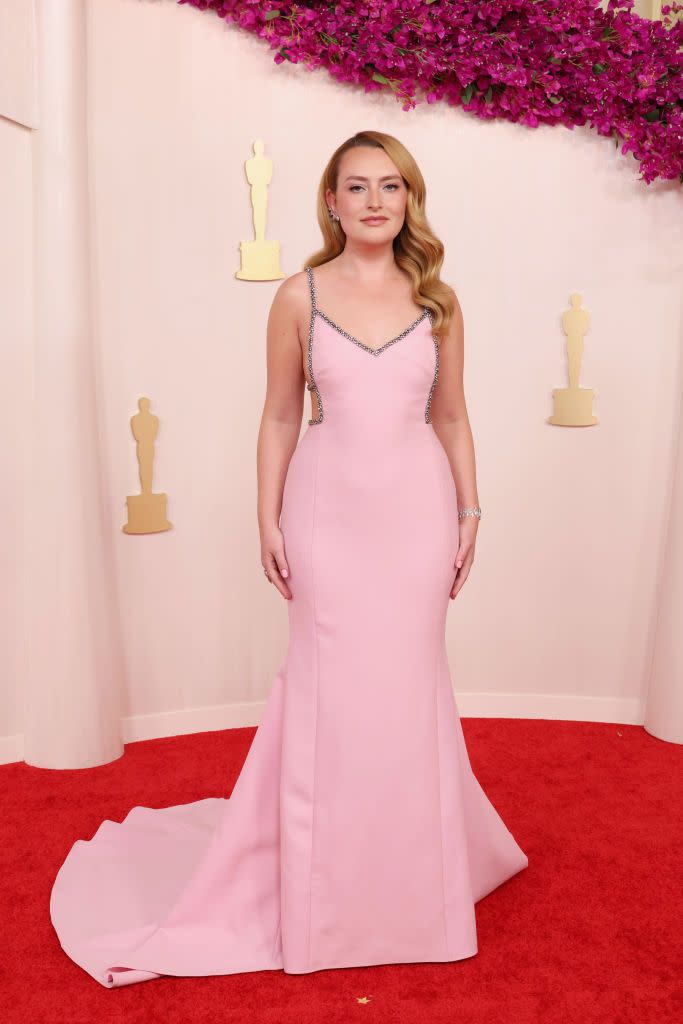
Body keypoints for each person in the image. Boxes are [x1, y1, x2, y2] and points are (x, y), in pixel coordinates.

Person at [50, 130, 528, 988]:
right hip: (325, 514)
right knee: (329, 693)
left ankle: (416, 886)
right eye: (357, 186)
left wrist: (470, 510)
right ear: (331, 202)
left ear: (410, 200)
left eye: (391, 186)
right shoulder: (298, 298)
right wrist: (265, 516)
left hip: (416, 518)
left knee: (406, 691)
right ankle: (323, 890)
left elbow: (451, 418)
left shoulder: (440, 302)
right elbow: (279, 416)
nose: (375, 200)